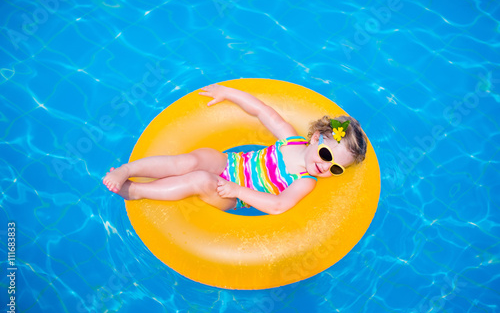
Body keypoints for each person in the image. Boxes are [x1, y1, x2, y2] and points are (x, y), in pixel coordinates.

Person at [103, 84, 367, 214]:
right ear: (316, 138)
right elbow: (263, 112)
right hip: (229, 164)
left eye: (335, 168)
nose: (324, 167)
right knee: (193, 160)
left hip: (232, 195)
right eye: (326, 155)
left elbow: (277, 205)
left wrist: (236, 190)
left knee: (200, 179)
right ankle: (127, 169)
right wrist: (228, 92)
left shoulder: (306, 181)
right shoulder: (290, 139)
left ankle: (137, 191)